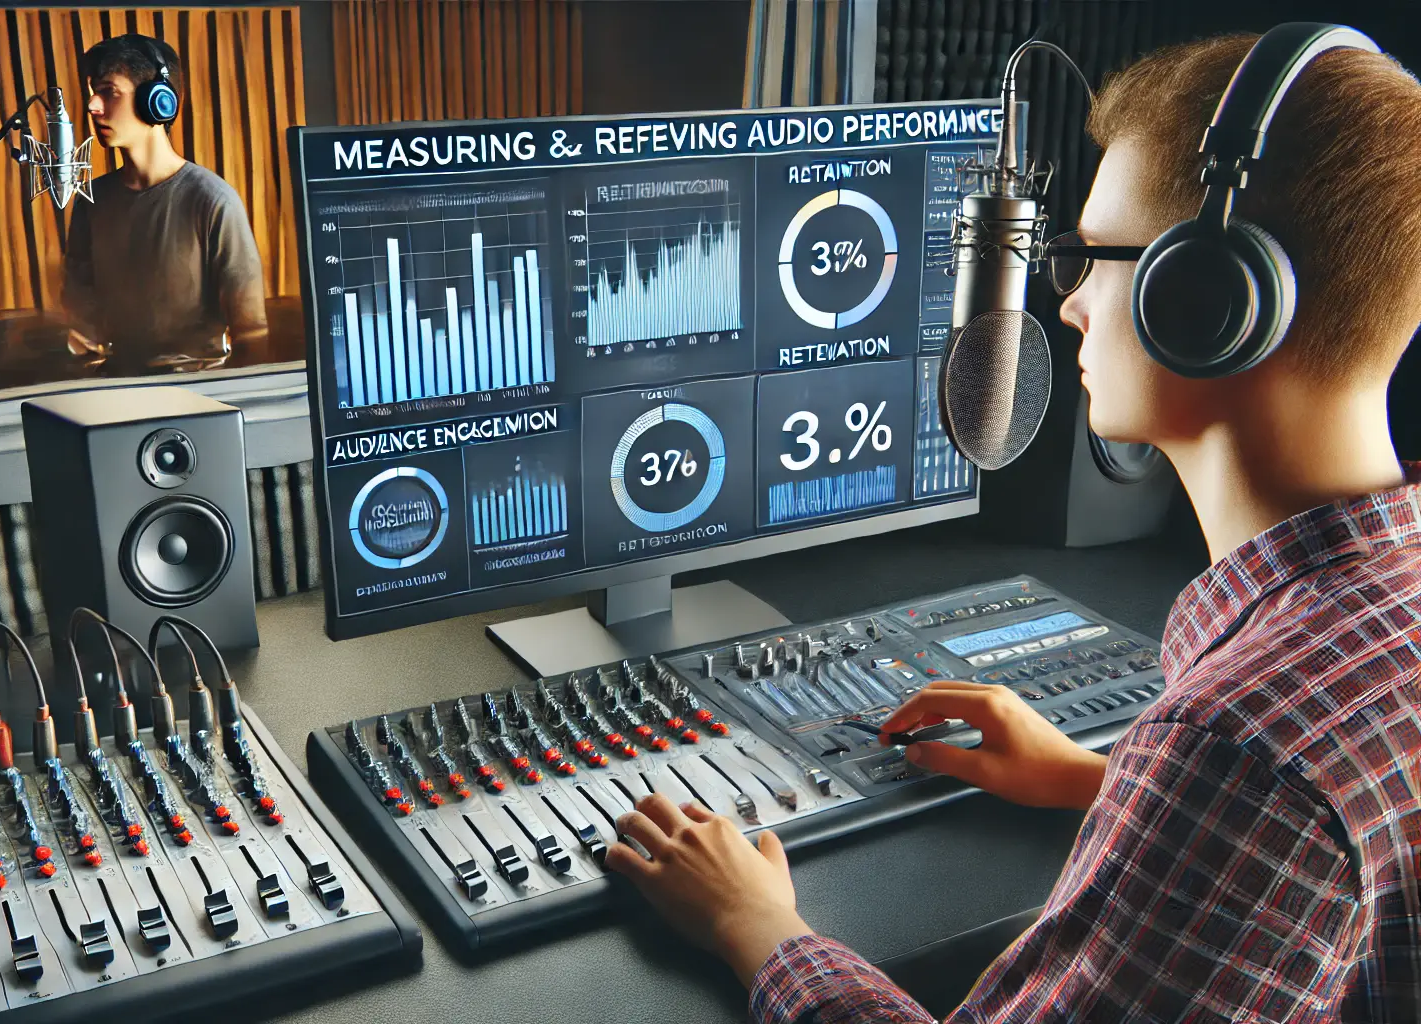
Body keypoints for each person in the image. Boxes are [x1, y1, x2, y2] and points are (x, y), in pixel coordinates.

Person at [606, 31, 1421, 1023]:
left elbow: (1262, 793)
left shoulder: (1235, 750)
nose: (1070, 303)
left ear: (1205, 298)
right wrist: (1101, 781)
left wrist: (756, 924)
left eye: (1097, 255)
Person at [62, 34, 268, 376]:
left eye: (109, 92)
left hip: (196, 396)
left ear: (157, 101)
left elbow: (253, 336)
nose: (93, 106)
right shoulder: (92, 201)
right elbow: (81, 321)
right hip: (113, 389)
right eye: (93, 93)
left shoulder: (213, 200)